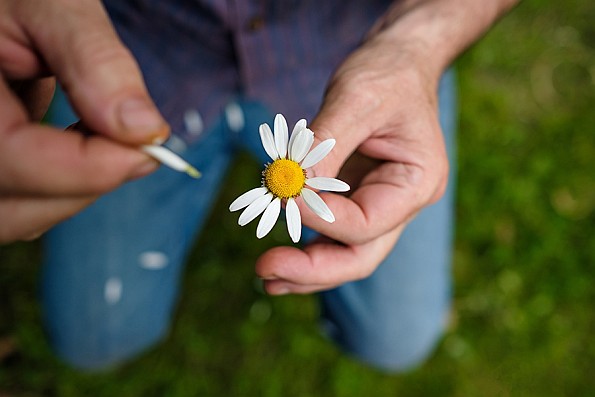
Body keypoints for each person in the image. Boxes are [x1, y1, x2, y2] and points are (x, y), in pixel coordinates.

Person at [0, 0, 518, 371]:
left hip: (353, 51)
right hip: (141, 58)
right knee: (93, 341)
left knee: (397, 339)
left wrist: (416, 46)